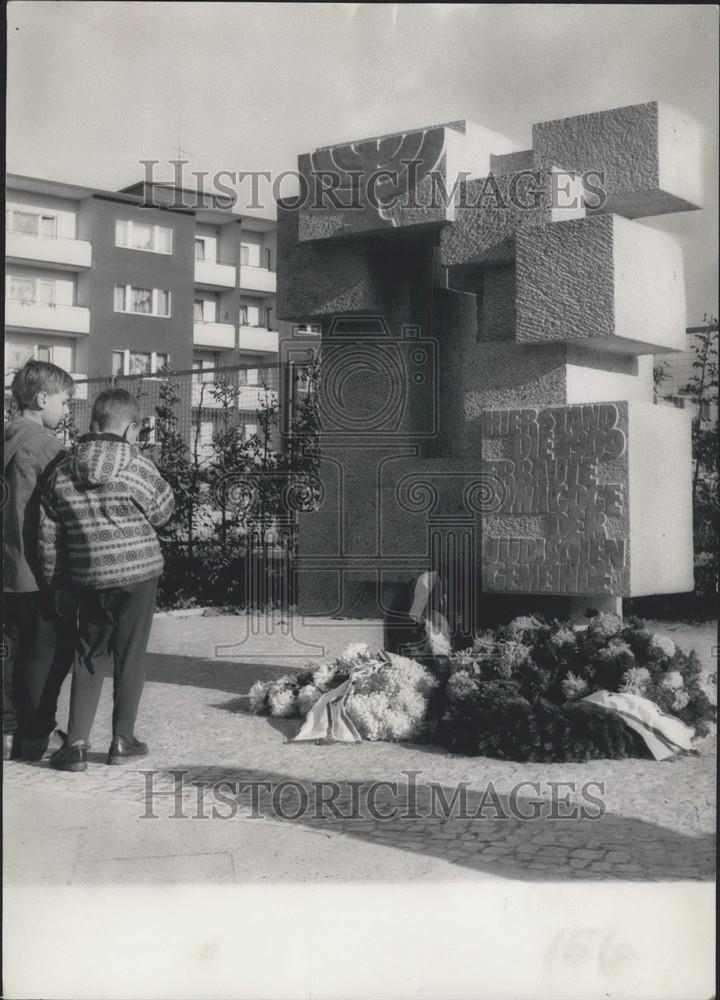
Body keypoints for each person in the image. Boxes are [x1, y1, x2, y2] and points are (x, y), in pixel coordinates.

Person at [39, 388, 175, 772]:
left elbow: (47, 535)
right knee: (131, 655)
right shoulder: (138, 465)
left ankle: (77, 745)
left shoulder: (62, 470)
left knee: (89, 655)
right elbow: (165, 512)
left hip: (88, 578)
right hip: (139, 575)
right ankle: (122, 741)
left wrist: (57, 583)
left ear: (92, 422)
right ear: (131, 429)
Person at [3, 360, 76, 761]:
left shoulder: (7, 436)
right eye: (65, 402)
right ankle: (35, 736)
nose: (66, 411)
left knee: (8, 653)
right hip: (37, 570)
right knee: (48, 655)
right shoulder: (47, 445)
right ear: (42, 399)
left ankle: (7, 731)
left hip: (6, 570)